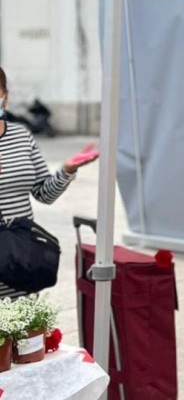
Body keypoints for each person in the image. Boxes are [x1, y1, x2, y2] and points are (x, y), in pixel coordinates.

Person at [0, 66, 98, 299]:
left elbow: (44, 193)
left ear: (5, 95)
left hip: (20, 259)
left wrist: (66, 170)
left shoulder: (21, 136)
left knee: (24, 330)